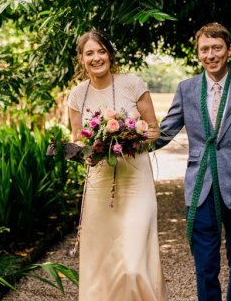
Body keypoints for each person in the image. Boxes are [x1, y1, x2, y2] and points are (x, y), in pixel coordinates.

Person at [155, 22, 231, 301]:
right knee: (205, 266)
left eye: (217, 48)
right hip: (201, 189)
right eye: (204, 49)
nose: (211, 55)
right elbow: (164, 132)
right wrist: (125, 139)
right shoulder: (186, 89)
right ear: (198, 53)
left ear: (229, 50)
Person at [67, 29, 167, 301]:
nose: (96, 57)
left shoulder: (133, 84)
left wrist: (133, 135)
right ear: (81, 59)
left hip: (135, 180)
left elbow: (155, 130)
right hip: (99, 185)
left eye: (101, 51)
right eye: (89, 53)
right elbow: (77, 139)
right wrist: (83, 150)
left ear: (110, 54)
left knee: (133, 266)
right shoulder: (77, 96)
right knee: (102, 263)